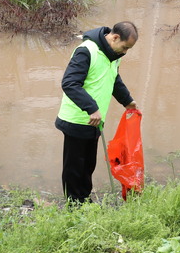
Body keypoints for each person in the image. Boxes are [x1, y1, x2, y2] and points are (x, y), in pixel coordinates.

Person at [55, 22, 138, 204]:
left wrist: (127, 101)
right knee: (74, 167)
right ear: (115, 37)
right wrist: (91, 107)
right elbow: (69, 83)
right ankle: (73, 205)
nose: (125, 52)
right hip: (77, 119)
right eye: (125, 47)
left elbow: (114, 79)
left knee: (88, 165)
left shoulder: (114, 55)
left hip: (95, 121)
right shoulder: (86, 51)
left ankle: (84, 201)